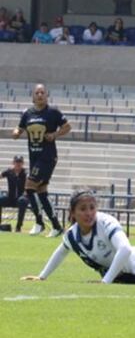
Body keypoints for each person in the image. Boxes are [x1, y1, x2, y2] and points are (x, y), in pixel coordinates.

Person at [13, 84, 70, 236]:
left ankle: (39, 222)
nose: (39, 95)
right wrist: (16, 132)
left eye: (42, 92)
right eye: (37, 93)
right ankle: (57, 226)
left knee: (29, 187)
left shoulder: (53, 112)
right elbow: (20, 128)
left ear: (46, 96)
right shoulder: (27, 113)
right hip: (34, 156)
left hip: (48, 156)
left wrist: (55, 135)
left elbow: (67, 127)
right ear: (33, 96)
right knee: (41, 192)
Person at [0, 155, 28, 232]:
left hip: (21, 198)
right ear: (13, 162)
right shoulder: (9, 171)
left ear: (23, 163)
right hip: (10, 198)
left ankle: (18, 226)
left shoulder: (25, 173)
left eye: (20, 162)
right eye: (16, 162)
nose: (18, 164)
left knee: (22, 201)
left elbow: (30, 181)